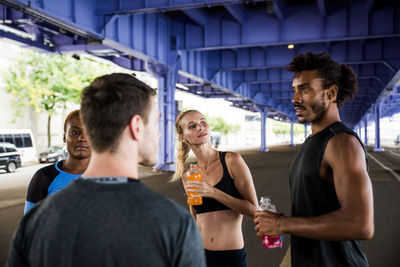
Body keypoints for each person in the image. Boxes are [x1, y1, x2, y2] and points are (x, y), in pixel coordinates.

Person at [7, 73, 206, 267]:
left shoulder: (35, 221)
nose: (159, 134)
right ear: (136, 126)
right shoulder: (174, 224)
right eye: (155, 122)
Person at [254, 52, 374, 266]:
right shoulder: (314, 141)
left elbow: (361, 224)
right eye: (294, 90)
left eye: (305, 89)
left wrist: (282, 224)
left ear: (331, 93)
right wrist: (279, 222)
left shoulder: (341, 142)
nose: (295, 99)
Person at [172, 109, 258, 267]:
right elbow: (195, 218)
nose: (200, 127)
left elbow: (255, 211)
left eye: (203, 122)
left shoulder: (232, 160)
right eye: (192, 126)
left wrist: (214, 193)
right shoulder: (188, 174)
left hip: (230, 257)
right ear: (182, 137)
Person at [24, 109, 90, 214]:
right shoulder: (44, 177)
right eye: (74, 132)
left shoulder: (110, 176)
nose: (82, 138)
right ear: (64, 137)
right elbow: (30, 226)